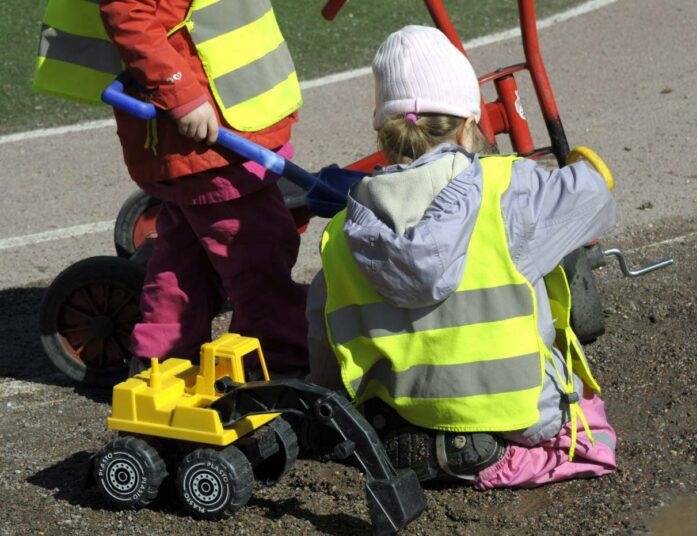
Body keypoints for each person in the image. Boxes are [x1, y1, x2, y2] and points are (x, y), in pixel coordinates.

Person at [306, 25, 617, 488]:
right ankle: (492, 449)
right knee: (583, 408)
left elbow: (326, 356)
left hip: (405, 420)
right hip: (520, 419)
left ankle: (430, 444)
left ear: (383, 132)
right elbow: (597, 198)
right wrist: (583, 163)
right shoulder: (510, 191)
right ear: (470, 124)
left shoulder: (341, 233)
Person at [98, 0, 309, 375]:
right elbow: (129, 14)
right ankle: (279, 359)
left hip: (226, 124)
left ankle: (160, 360)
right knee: (258, 250)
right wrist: (181, 95)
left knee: (185, 256)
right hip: (207, 135)